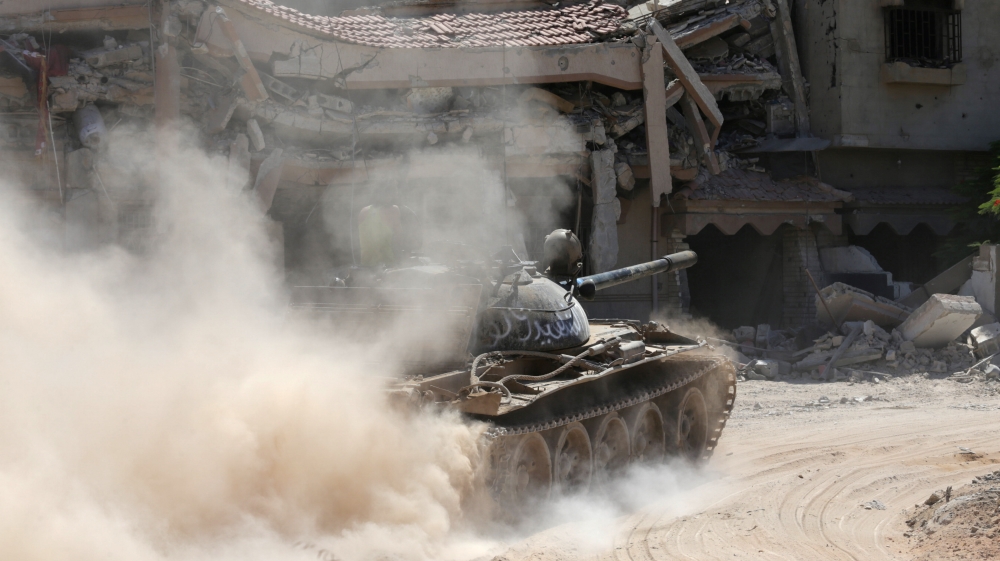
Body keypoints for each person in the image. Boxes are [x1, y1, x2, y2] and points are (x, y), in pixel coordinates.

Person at [358, 184, 401, 267]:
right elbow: (398, 241)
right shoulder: (393, 210)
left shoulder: (363, 211)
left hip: (366, 265)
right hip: (386, 265)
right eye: (395, 191)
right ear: (389, 194)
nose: (396, 194)